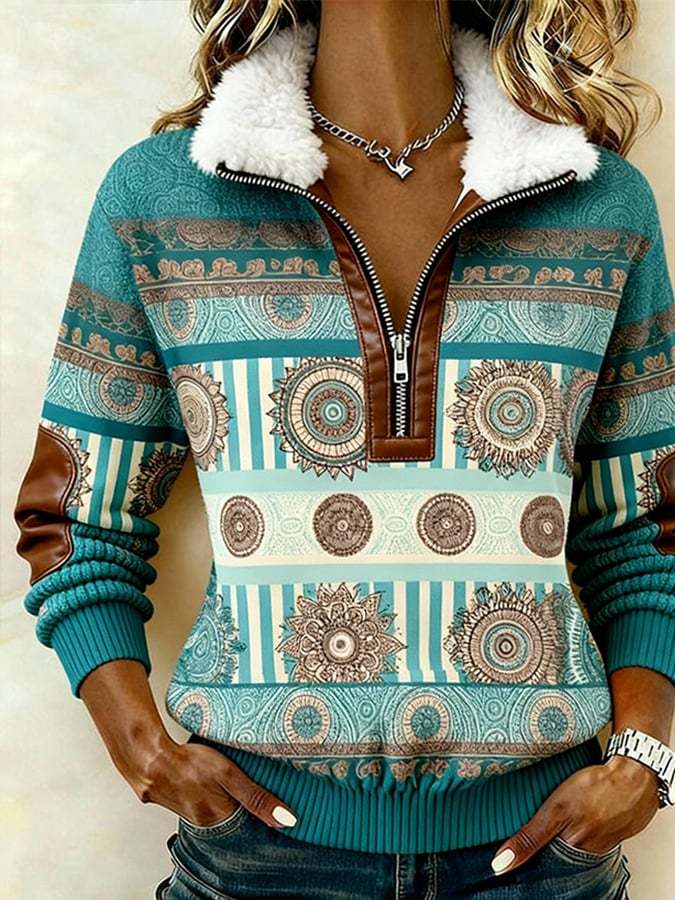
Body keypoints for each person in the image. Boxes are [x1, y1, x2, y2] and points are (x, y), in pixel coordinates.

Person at [13, 1, 675, 898]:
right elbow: (77, 514)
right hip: (259, 855)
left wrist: (643, 758)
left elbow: (645, 526)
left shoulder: (597, 204)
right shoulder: (163, 197)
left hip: (540, 858)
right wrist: (142, 747)